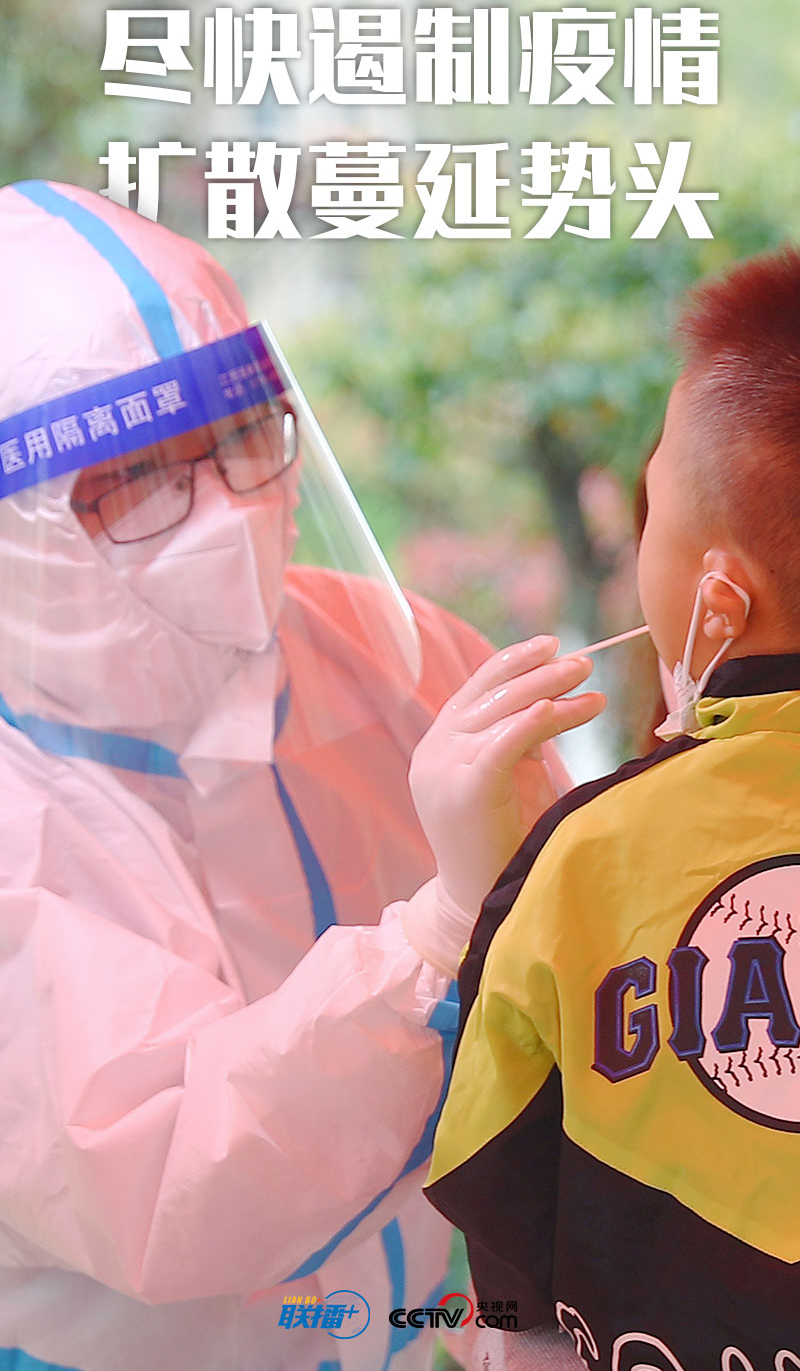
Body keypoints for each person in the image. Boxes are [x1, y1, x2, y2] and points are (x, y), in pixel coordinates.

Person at [0, 180, 591, 1371]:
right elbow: (176, 1180)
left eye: (239, 437)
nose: (226, 512)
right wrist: (435, 934)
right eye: (138, 476)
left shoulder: (386, 654)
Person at [423, 247, 800, 1369]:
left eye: (652, 509)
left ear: (716, 598)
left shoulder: (583, 857)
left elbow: (502, 1238)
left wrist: (474, 896)